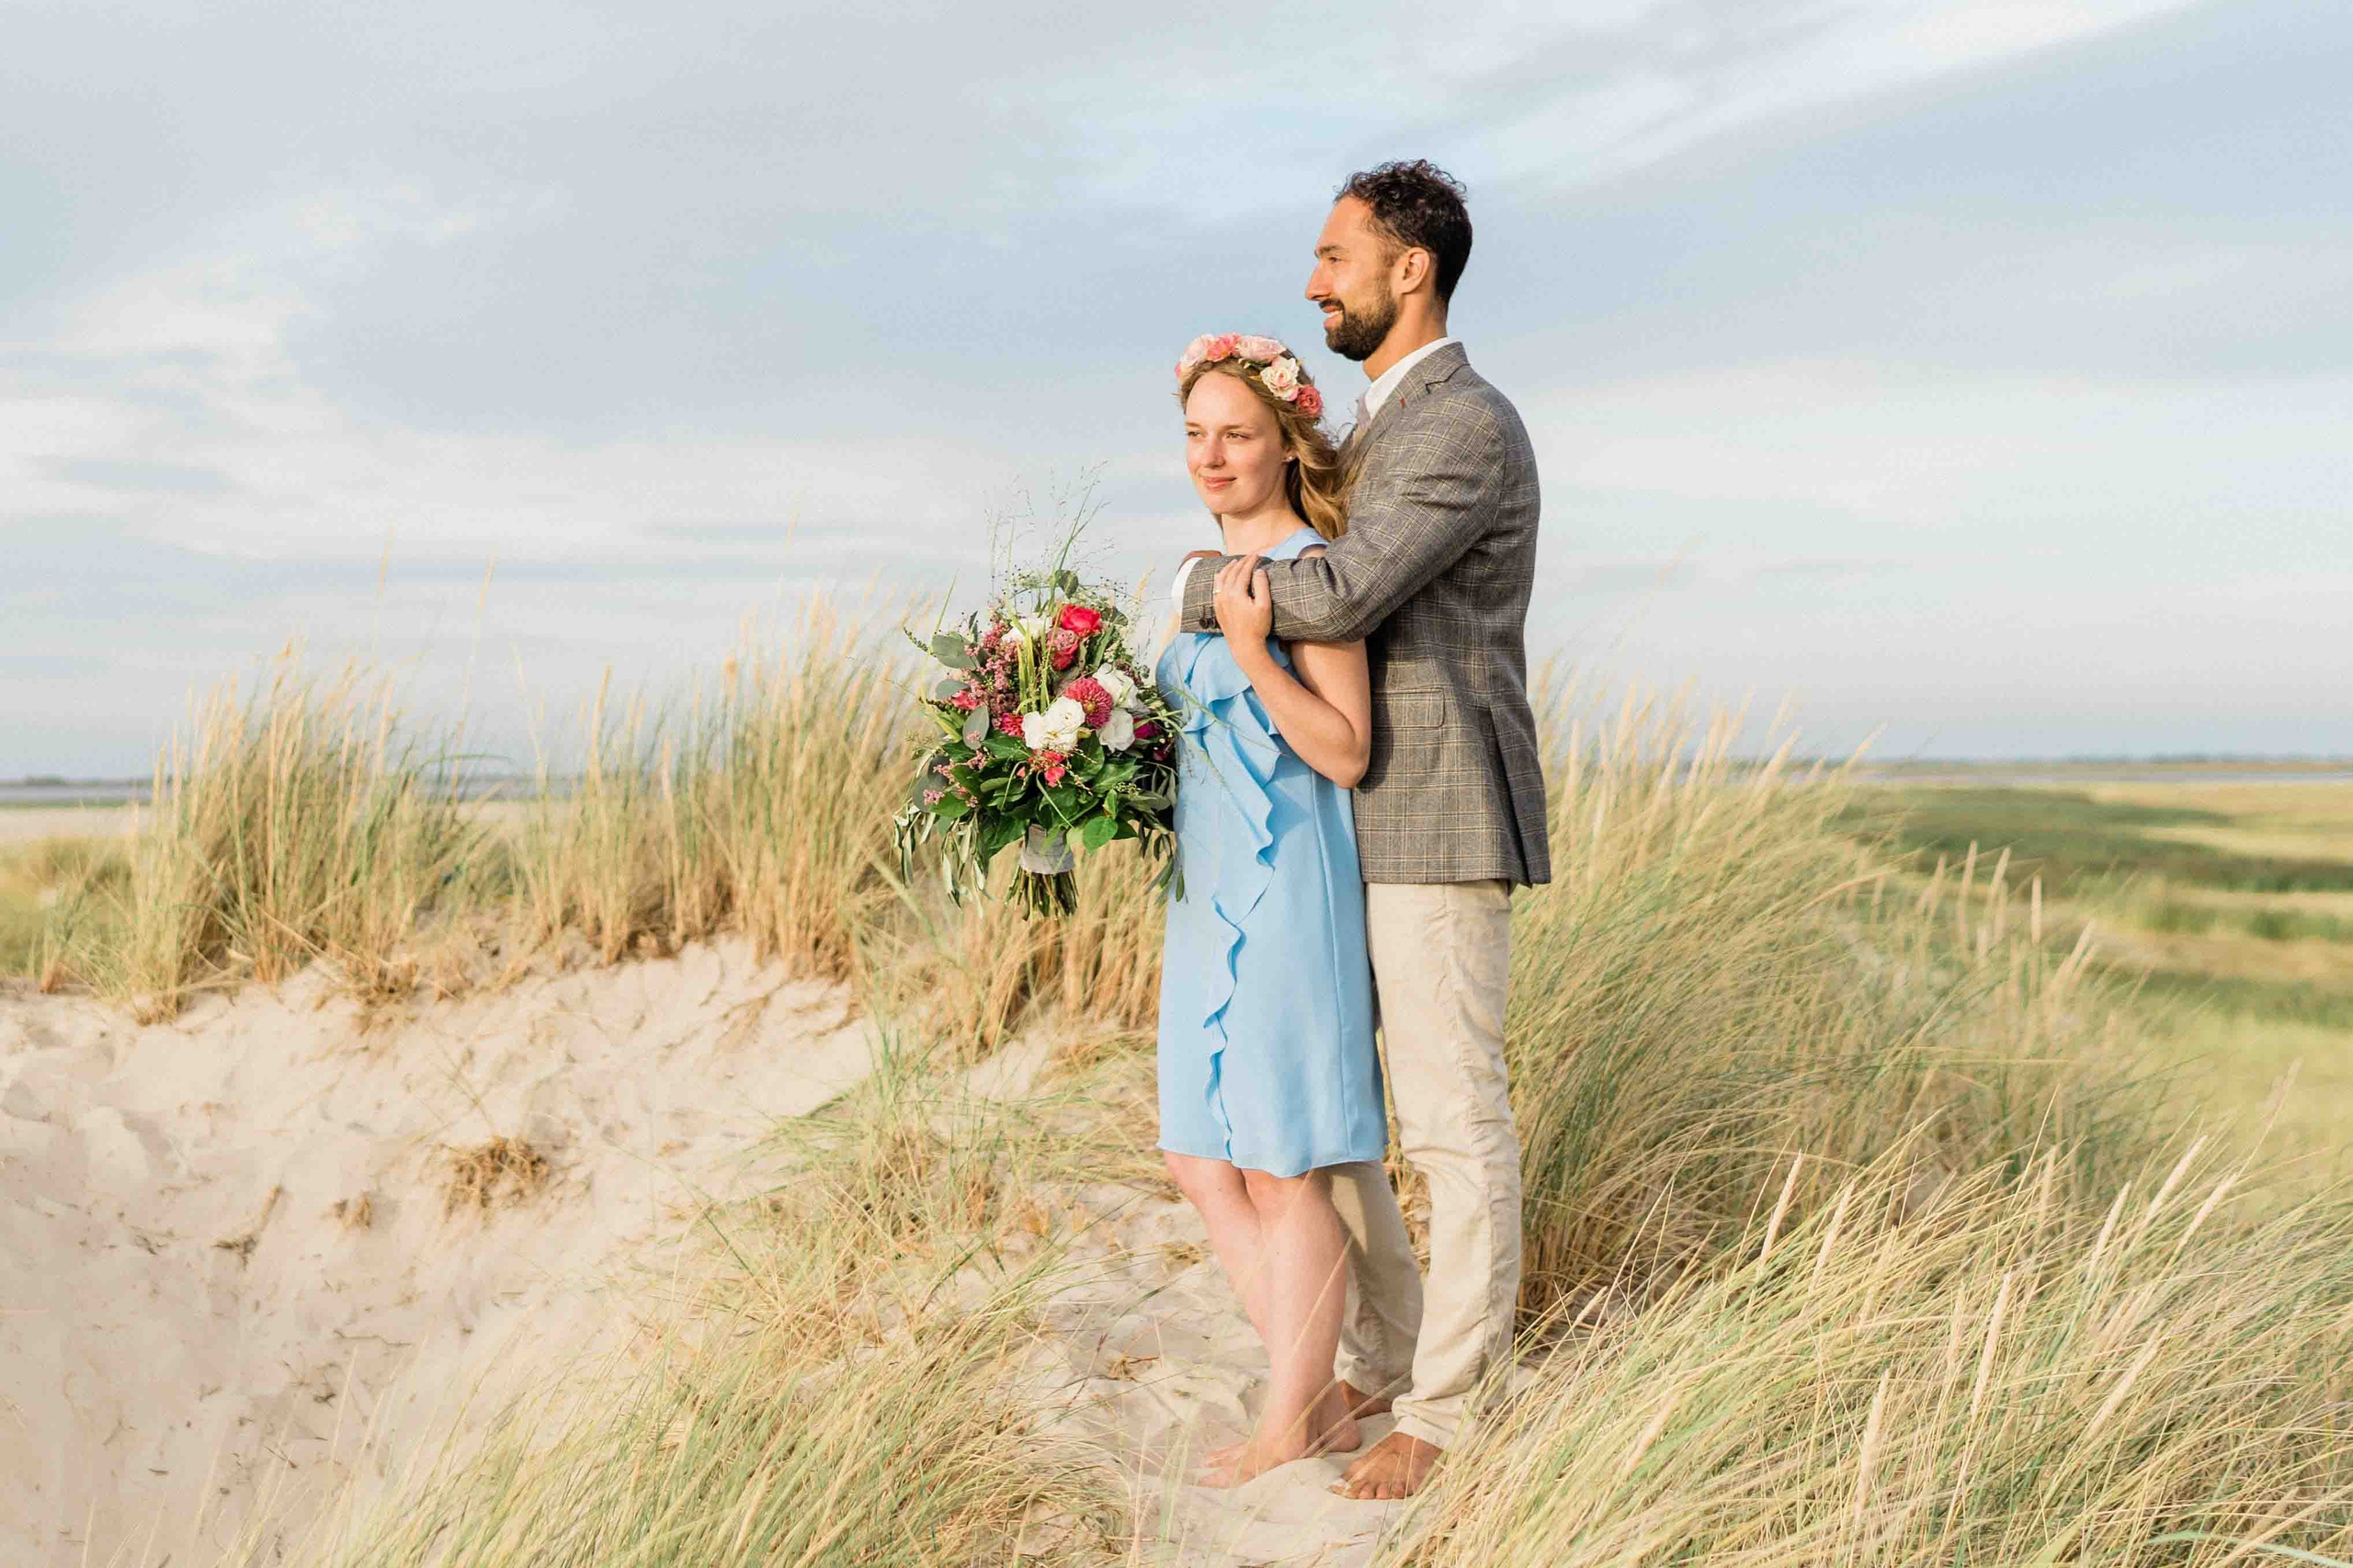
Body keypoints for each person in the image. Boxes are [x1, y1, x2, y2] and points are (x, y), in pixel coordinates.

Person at [1170, 159, 1550, 1502]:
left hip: (1440, 816)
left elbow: (1338, 584)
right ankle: (1382, 1358)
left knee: (1453, 1125)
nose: (1315, 279)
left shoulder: (1464, 425)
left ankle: (1447, 1410)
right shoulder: (1387, 428)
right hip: (1348, 830)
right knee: (1341, 1140)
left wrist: (1194, 584)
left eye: (1336, 255)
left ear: (1412, 271)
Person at [1153, 331, 1381, 1488]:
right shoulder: (1194, 572)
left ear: (1287, 442)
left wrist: (1255, 649)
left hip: (1289, 882)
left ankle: (1292, 1414)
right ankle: (1323, 1391)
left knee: (1284, 1164)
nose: (1212, 454)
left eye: (1236, 433)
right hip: (1202, 889)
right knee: (1199, 1155)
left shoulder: (1311, 575)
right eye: (1196, 433)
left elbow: (1344, 749)